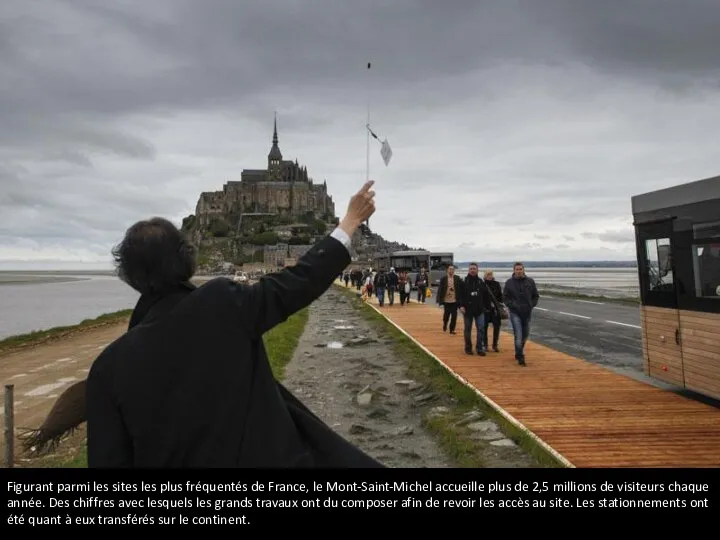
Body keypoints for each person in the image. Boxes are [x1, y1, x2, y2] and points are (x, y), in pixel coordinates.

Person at [23, 180, 383, 468]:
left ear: (130, 278)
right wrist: (348, 223)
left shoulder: (108, 367)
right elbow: (299, 282)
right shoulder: (223, 303)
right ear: (187, 262)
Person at [503, 262, 539, 366]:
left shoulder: (530, 281)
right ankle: (521, 357)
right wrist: (511, 305)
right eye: (517, 269)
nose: (518, 271)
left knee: (525, 335)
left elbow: (535, 296)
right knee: (518, 335)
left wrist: (531, 305)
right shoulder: (509, 282)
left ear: (523, 270)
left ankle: (518, 351)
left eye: (520, 269)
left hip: (527, 313)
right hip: (515, 312)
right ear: (514, 271)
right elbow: (505, 297)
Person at [459, 263, 490, 355]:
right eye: (471, 269)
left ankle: (479, 348)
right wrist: (461, 306)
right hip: (467, 310)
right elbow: (460, 296)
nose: (473, 270)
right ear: (468, 270)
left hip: (479, 310)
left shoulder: (481, 282)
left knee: (481, 329)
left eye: (474, 269)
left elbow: (486, 296)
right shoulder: (464, 282)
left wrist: (487, 308)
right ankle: (468, 347)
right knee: (467, 329)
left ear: (477, 270)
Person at [436, 264, 462, 334]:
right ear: (447, 270)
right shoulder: (443, 279)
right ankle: (445, 324)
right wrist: (439, 300)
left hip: (454, 301)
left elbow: (462, 288)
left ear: (454, 270)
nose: (451, 270)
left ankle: (452, 329)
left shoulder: (457, 278)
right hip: (446, 301)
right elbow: (440, 290)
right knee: (446, 316)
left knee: (454, 316)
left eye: (452, 269)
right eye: (450, 269)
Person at [483, 269, 503, 352]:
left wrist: (499, 303)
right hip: (485, 309)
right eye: (487, 274)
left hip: (495, 310)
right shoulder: (482, 284)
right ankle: (485, 345)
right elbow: (480, 298)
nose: (489, 276)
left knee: (497, 327)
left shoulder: (497, 284)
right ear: (485, 276)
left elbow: (500, 297)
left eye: (490, 274)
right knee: (484, 328)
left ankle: (495, 345)